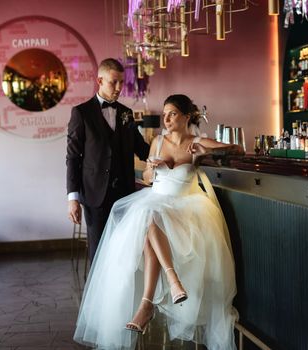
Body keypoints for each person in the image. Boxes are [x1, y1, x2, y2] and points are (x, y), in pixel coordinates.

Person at [74, 94, 244, 350]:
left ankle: (147, 304)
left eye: (172, 113)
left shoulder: (195, 141)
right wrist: (154, 168)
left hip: (185, 206)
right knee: (148, 217)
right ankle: (171, 283)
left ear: (187, 117)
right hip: (156, 201)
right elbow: (147, 175)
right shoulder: (157, 141)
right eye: (165, 113)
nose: (166, 118)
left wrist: (205, 150)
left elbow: (237, 149)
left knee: (148, 220)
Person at [66, 58, 150, 263]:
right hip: (95, 195)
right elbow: (73, 158)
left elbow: (142, 149)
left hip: (125, 194)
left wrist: (172, 147)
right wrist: (73, 198)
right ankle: (98, 295)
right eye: (114, 82)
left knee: (124, 248)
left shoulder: (126, 114)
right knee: (98, 251)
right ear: (99, 80)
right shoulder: (81, 113)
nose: (119, 87)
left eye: (121, 82)